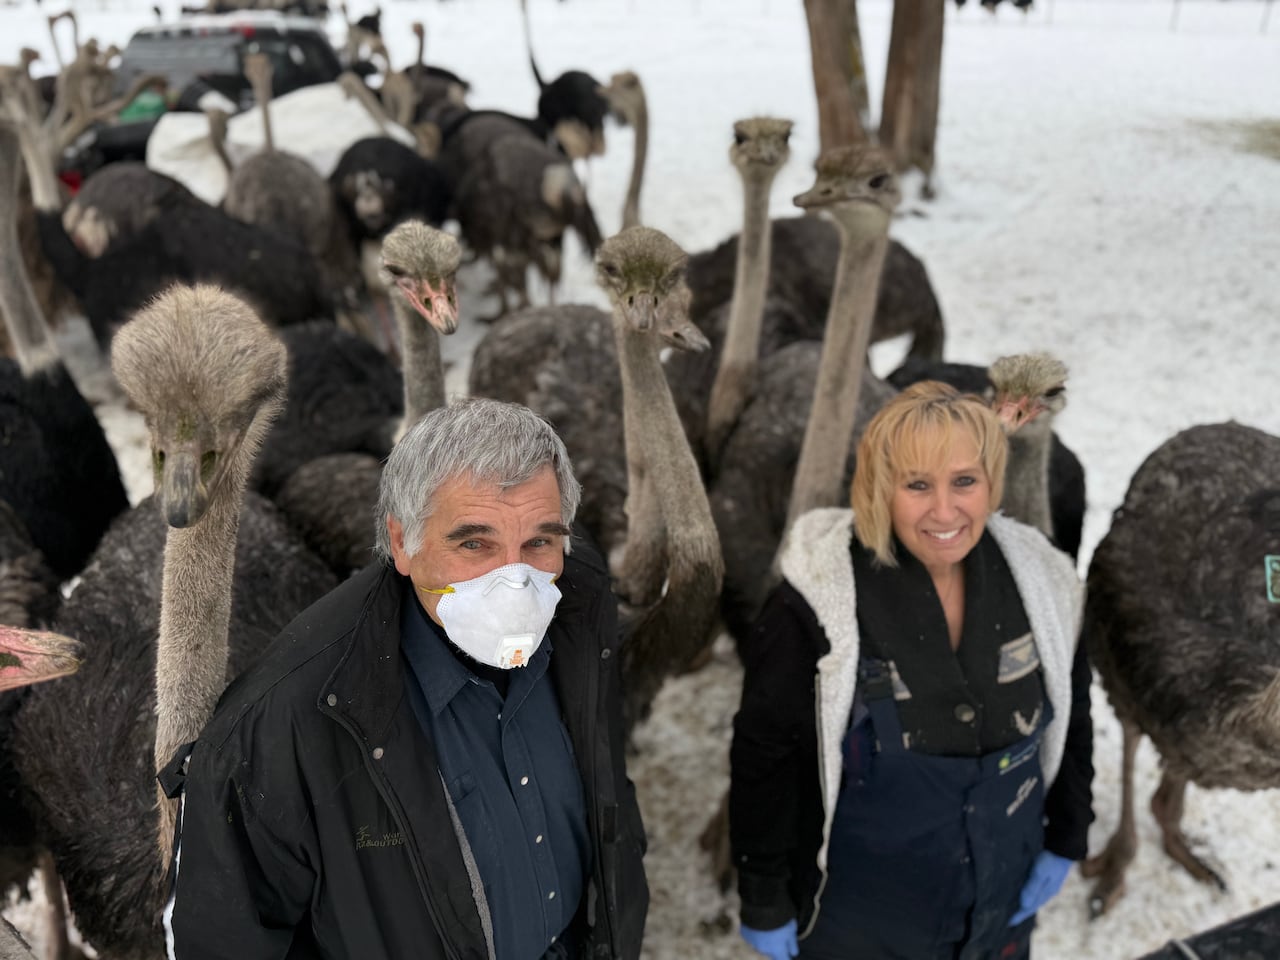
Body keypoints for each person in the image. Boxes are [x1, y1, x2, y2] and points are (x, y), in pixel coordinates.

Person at [162, 398, 648, 960]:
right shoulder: (285, 722)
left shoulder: (579, 612)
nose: (516, 581)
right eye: (474, 543)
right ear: (402, 543)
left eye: (539, 542)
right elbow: (225, 939)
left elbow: (608, 783)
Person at [730, 382, 1094, 960]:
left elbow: (1072, 711)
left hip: (1001, 899)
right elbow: (765, 758)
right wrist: (765, 895)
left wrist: (1069, 833)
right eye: (918, 484)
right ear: (881, 488)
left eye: (964, 481)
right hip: (863, 920)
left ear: (992, 482)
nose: (945, 511)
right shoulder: (815, 606)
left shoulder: (1043, 583)